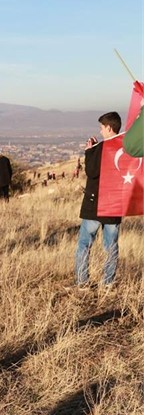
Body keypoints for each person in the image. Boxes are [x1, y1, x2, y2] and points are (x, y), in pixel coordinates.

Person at [74, 112, 123, 289]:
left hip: (96, 204)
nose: (100, 131)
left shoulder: (102, 148)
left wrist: (89, 152)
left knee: (84, 244)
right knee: (111, 246)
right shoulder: (126, 148)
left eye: (102, 128)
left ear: (109, 128)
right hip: (116, 205)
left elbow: (93, 172)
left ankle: (82, 282)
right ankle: (108, 283)